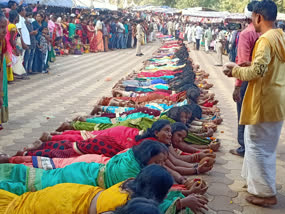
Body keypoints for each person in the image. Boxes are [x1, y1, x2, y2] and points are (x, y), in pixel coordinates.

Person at [223, 0, 285, 206]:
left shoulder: (265, 39)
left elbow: (258, 72)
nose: (252, 21)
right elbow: (267, 66)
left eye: (252, 17)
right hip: (276, 99)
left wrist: (234, 70)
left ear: (258, 17)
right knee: (260, 146)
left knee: (258, 147)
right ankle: (255, 184)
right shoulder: (282, 36)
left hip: (264, 101)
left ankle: (265, 193)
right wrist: (250, 63)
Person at [0, 140, 169, 195]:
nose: (161, 167)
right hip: (82, 178)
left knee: (42, 177)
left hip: (86, 169)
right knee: (36, 186)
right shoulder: (130, 173)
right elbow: (148, 196)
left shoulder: (132, 155)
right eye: (157, 163)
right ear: (146, 157)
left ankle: (9, 167)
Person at [0, 165, 179, 214]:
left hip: (72, 192)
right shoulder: (125, 204)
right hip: (64, 205)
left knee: (25, 200)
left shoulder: (130, 183)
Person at [229, 1, 260, 157]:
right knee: (256, 112)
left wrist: (237, 86)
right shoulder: (270, 33)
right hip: (263, 79)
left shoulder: (246, 33)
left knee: (243, 113)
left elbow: (241, 62)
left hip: (248, 78)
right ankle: (255, 144)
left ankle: (244, 147)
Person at [0, 13, 8, 130]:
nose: (4, 31)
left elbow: (0, 68)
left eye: (4, 27)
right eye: (1, 27)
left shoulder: (2, 43)